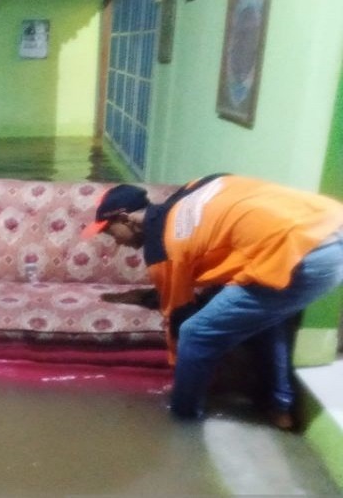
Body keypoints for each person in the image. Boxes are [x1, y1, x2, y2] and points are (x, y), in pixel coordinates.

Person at [81, 174, 343, 429]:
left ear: (125, 218)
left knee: (195, 333)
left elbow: (177, 316)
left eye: (109, 232)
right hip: (329, 223)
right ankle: (278, 407)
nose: (114, 242)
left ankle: (184, 419)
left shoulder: (163, 250)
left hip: (307, 255)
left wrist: (179, 372)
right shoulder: (193, 189)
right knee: (265, 315)